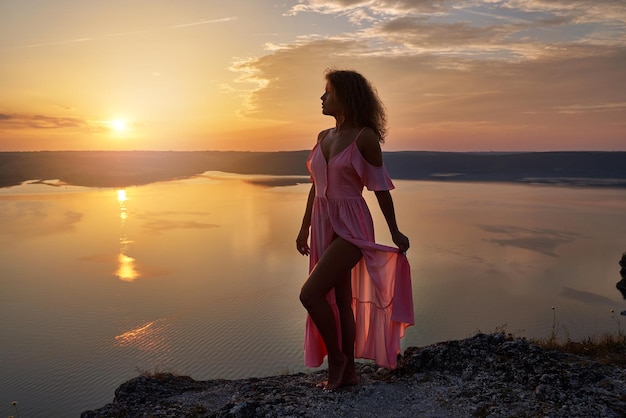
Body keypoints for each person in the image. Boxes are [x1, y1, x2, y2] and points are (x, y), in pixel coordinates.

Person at [296, 69, 414, 391]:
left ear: (345, 97)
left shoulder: (364, 138)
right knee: (342, 298)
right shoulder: (323, 137)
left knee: (310, 294)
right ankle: (348, 374)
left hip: (352, 227)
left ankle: (338, 360)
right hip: (323, 222)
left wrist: (395, 231)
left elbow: (379, 189)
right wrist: (304, 227)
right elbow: (315, 186)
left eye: (328, 92)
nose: (322, 97)